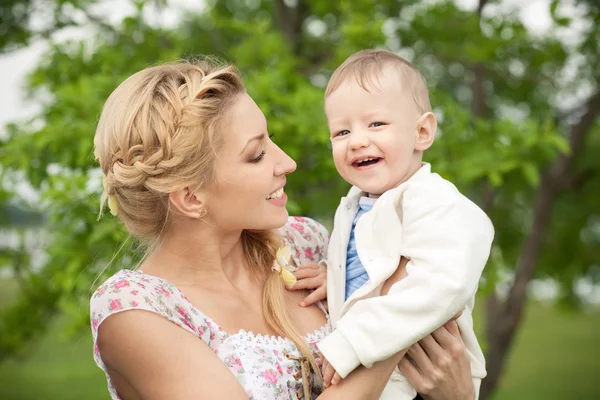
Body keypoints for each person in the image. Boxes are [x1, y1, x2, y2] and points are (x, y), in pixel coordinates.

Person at [89, 57, 477, 399]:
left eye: (270, 139)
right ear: (191, 197)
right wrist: (396, 304)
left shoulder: (305, 244)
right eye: (256, 155)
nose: (287, 162)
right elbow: (406, 304)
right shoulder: (135, 313)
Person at [315, 49, 495, 400]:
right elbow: (371, 263)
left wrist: (354, 341)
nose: (357, 140)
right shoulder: (354, 205)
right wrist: (332, 275)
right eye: (341, 131)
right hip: (376, 379)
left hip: (421, 379)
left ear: (422, 132)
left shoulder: (434, 200)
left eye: (376, 124)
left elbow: (443, 283)